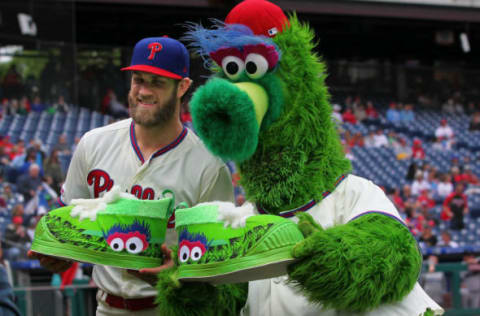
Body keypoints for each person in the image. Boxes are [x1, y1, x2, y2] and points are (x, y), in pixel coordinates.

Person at [29, 36, 235, 315]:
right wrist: (60, 252)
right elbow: (71, 223)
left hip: (169, 309)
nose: (144, 92)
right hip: (104, 306)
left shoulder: (209, 167)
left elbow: (220, 264)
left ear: (182, 87)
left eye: (157, 82)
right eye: (139, 79)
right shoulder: (94, 143)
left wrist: (177, 274)